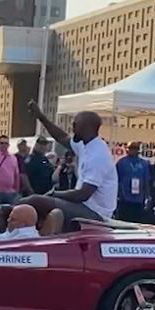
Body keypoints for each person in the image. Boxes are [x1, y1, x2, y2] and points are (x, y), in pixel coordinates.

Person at [22, 101, 118, 235]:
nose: (72, 127)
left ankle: (12, 238)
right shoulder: (86, 146)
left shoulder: (98, 156)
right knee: (25, 205)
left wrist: (55, 193)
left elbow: (82, 195)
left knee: (33, 201)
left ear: (86, 127)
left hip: (95, 213)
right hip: (84, 206)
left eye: (75, 124)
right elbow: (61, 137)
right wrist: (41, 117)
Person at [115, 141, 151, 222]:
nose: (132, 150)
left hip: (139, 199)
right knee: (124, 220)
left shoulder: (144, 163)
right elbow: (116, 180)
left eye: (135, 148)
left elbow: (146, 181)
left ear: (138, 150)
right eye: (130, 148)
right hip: (124, 198)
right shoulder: (121, 162)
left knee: (137, 221)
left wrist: (147, 196)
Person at [0, 135, 22, 204]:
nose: (4, 145)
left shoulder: (13, 158)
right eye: (2, 143)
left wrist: (16, 190)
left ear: (8, 145)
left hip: (10, 192)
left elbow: (16, 175)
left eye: (6, 143)